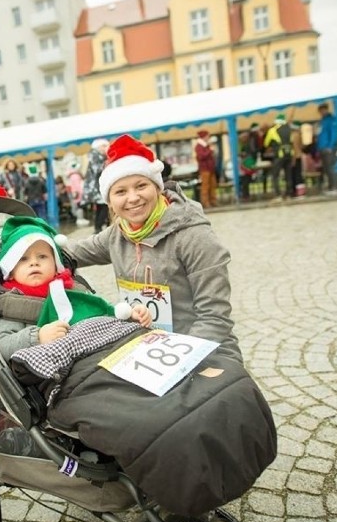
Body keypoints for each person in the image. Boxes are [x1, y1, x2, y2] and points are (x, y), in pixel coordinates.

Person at [63, 134, 242, 362]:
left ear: (157, 187)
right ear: (109, 201)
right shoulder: (118, 233)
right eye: (120, 192)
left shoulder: (193, 235)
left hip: (202, 350)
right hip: (147, 349)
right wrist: (21, 248)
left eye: (141, 186)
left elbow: (215, 317)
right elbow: (70, 252)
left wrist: (176, 359)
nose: (133, 198)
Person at [0, 215, 151, 360]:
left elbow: (101, 311)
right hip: (62, 369)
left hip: (102, 351)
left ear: (56, 265)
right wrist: (37, 336)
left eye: (42, 256)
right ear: (10, 272)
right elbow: (1, 344)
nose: (34, 262)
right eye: (23, 259)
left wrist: (130, 314)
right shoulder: (13, 304)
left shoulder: (72, 288)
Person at [81, 138, 111, 233]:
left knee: (100, 208)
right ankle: (98, 228)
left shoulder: (96, 155)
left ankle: (98, 227)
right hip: (96, 188)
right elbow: (98, 170)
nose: (106, 148)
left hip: (96, 187)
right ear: (99, 147)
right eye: (104, 146)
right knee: (103, 207)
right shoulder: (96, 156)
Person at [263, 114, 294, 201]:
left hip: (279, 154)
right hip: (289, 153)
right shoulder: (289, 129)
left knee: (275, 175)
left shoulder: (273, 130)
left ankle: (278, 195)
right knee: (288, 175)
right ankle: (289, 195)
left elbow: (266, 143)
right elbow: (292, 141)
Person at [316, 103, 337, 195]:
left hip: (329, 148)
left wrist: (330, 146)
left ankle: (336, 186)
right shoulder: (322, 121)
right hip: (322, 147)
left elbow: (333, 134)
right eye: (320, 111)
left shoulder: (331, 120)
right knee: (327, 168)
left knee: (332, 167)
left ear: (326, 110)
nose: (321, 113)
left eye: (322, 110)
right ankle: (331, 186)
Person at [195, 130, 217, 208]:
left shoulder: (206, 146)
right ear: (204, 137)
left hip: (210, 169)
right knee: (205, 186)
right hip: (205, 169)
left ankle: (213, 201)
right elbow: (201, 156)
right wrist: (210, 151)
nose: (208, 137)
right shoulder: (199, 146)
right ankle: (205, 202)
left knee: (212, 186)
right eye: (207, 136)